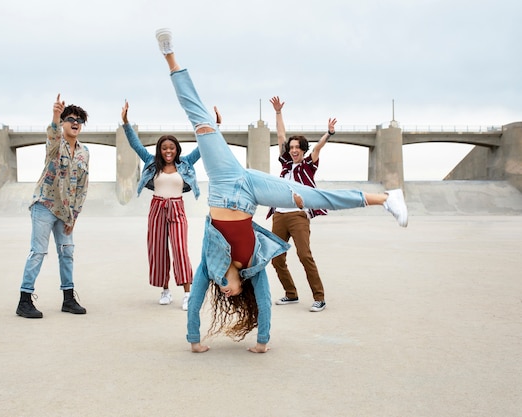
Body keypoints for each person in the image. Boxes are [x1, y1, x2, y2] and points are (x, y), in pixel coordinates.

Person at [154, 28, 408, 353]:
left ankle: (169, 54)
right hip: (251, 194)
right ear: (240, 285)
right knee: (314, 197)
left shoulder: (209, 265)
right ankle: (387, 198)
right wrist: (262, 343)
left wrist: (193, 340)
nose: (225, 290)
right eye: (231, 291)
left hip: (223, 182)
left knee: (200, 121)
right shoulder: (254, 265)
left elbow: (195, 302)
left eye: (222, 289)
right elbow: (264, 302)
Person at [121, 100, 201, 310]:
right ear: (159, 150)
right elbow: (135, 145)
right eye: (164, 148)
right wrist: (126, 123)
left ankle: (187, 293)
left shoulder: (185, 163)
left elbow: (203, 147)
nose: (168, 151)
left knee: (180, 249)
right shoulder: (150, 162)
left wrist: (215, 127)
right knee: (157, 250)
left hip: (177, 208)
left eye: (171, 148)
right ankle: (165, 290)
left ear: (176, 150)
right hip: (156, 208)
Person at [16, 94, 89, 319]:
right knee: (38, 252)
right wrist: (56, 115)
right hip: (45, 204)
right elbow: (52, 133)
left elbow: (82, 186)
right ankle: (24, 300)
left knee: (67, 252)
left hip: (66, 212)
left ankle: (68, 298)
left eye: (79, 120)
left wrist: (74, 216)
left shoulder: (84, 152)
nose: (75, 122)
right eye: (70, 119)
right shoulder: (56, 145)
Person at [266, 95, 333, 312]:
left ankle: (319, 297)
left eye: (297, 147)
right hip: (279, 215)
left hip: (298, 216)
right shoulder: (285, 165)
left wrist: (329, 133)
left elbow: (318, 148)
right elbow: (280, 135)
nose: (293, 150)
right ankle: (291, 294)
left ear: (303, 150)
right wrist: (278, 112)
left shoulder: (308, 166)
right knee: (276, 258)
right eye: (291, 147)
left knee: (304, 256)